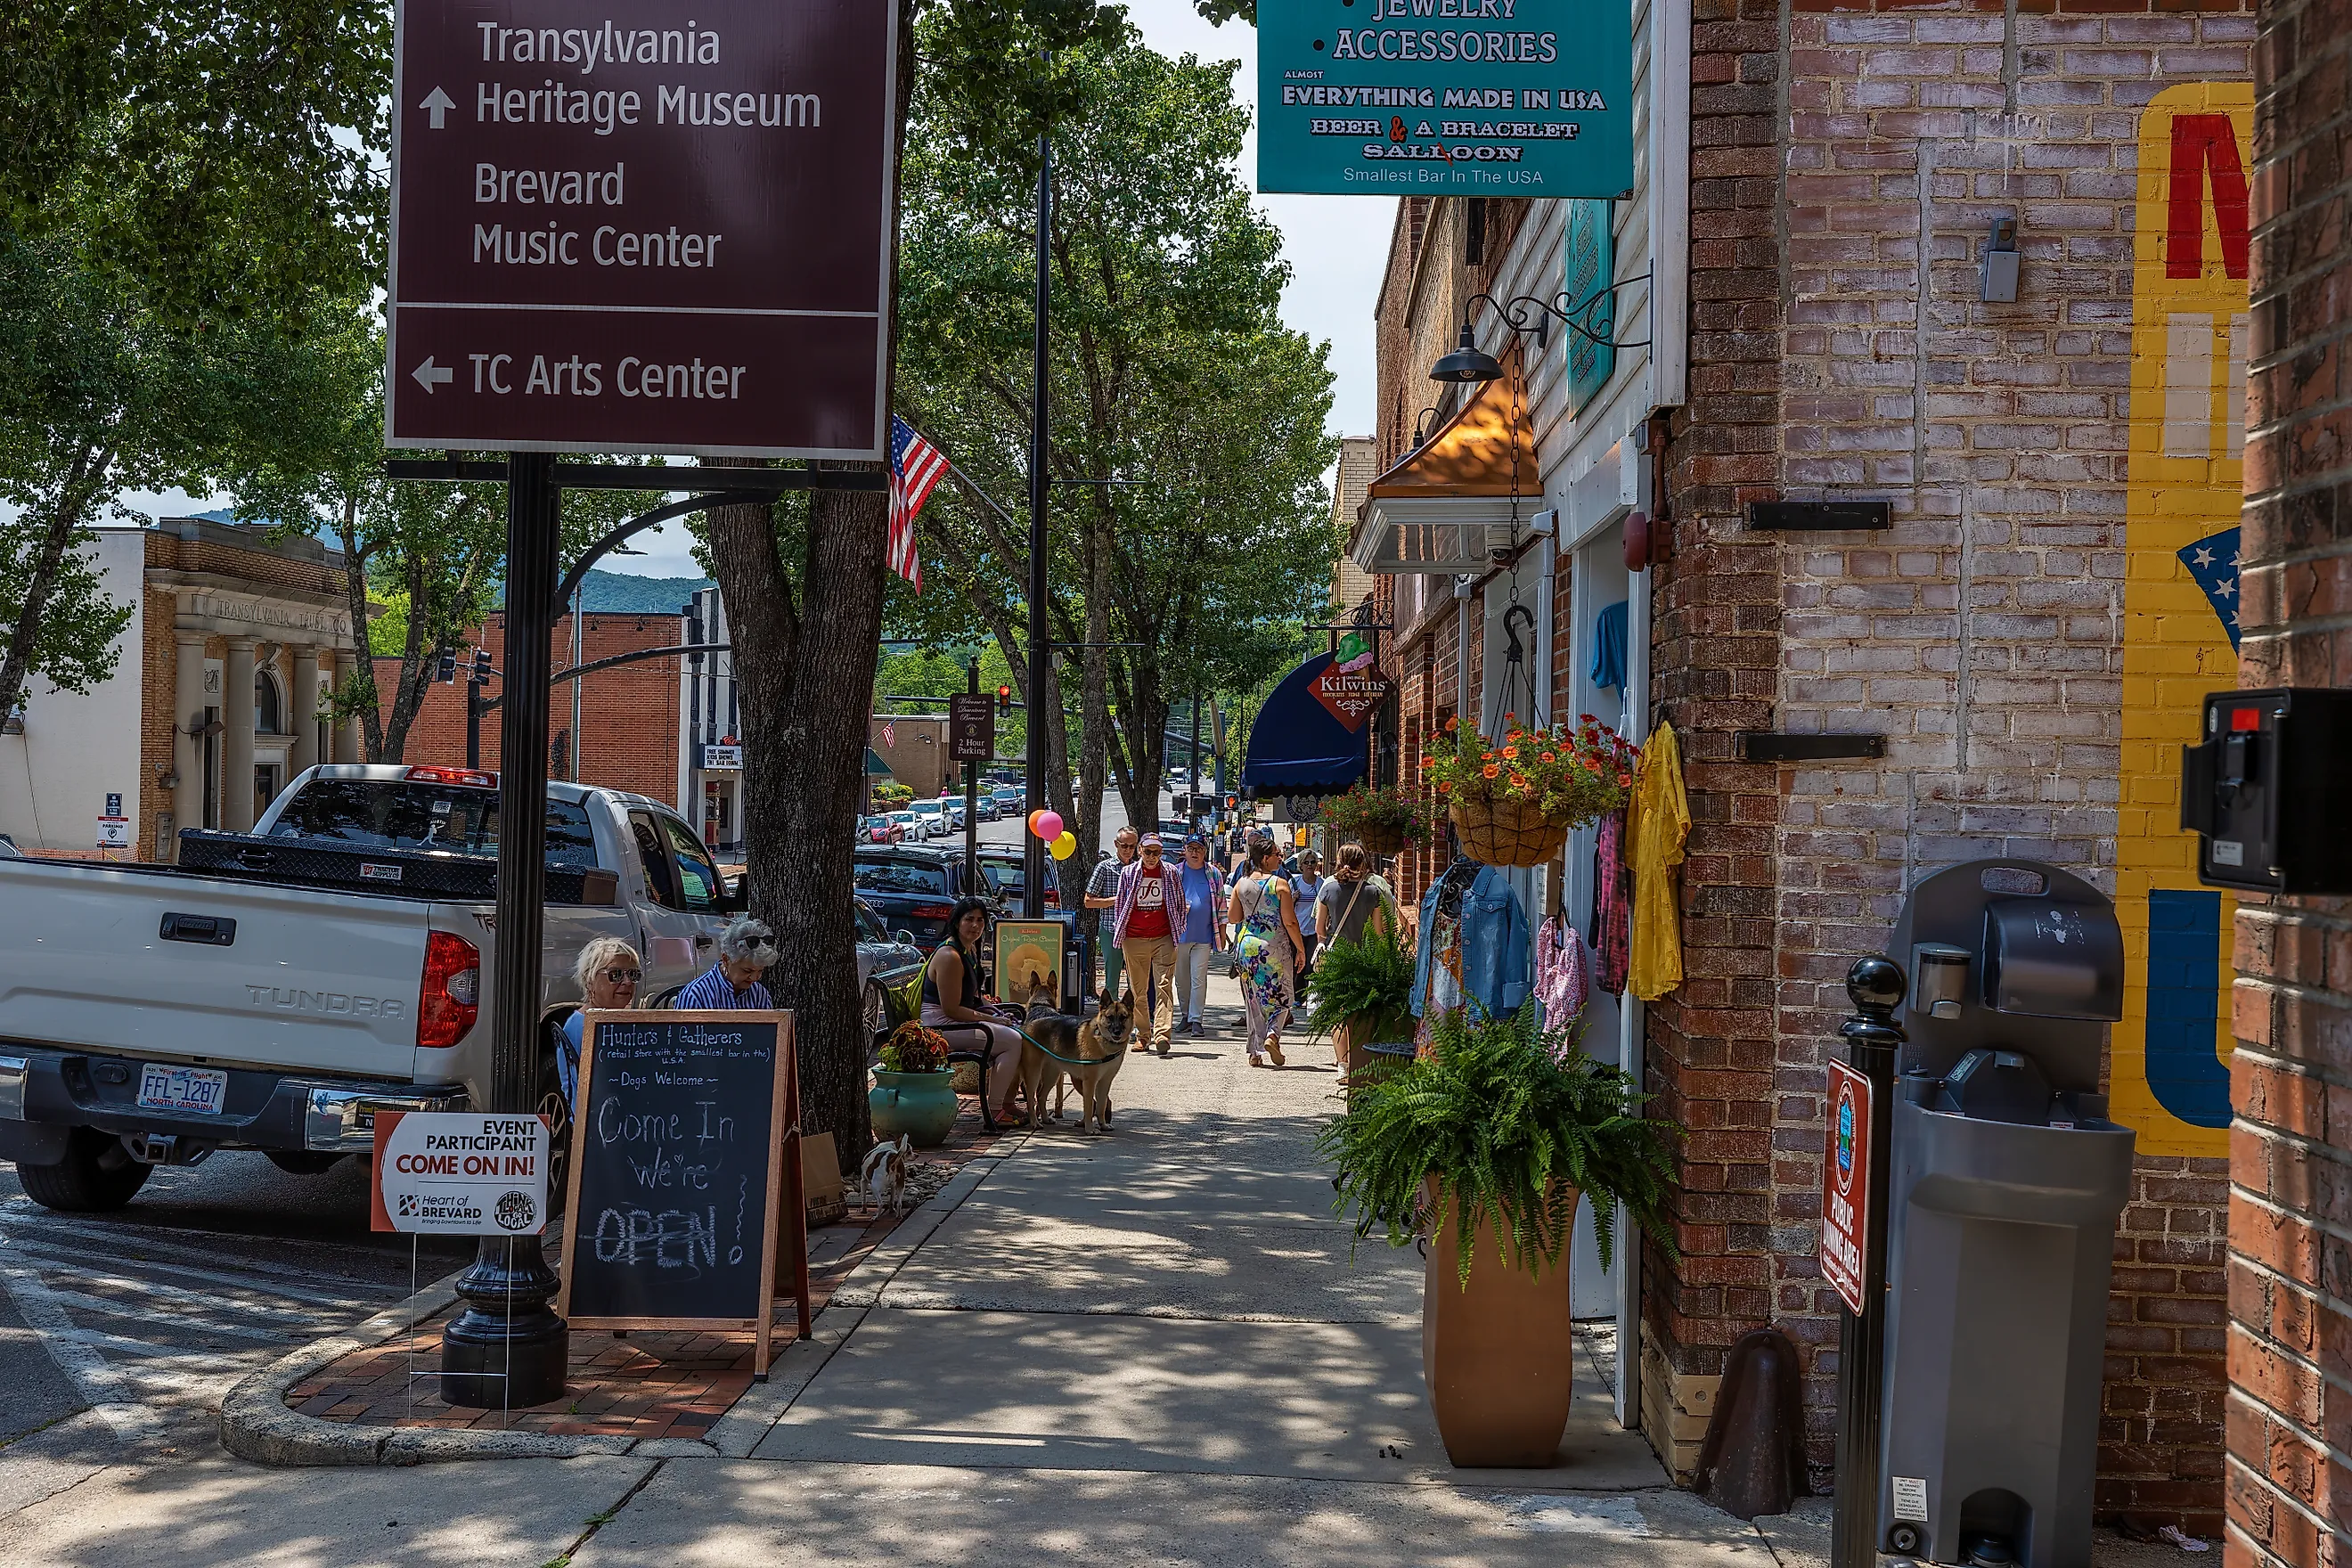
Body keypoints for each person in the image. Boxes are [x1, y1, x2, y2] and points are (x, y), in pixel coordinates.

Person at [920, 895, 1027, 1122]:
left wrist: (995, 1011)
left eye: (980, 920)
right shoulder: (950, 956)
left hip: (960, 1021)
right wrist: (995, 1021)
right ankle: (996, 1109)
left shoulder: (970, 949)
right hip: (940, 1026)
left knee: (1021, 1033)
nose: (976, 925)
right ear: (957, 922)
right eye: (969, 919)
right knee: (1012, 1041)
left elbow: (975, 998)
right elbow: (952, 1010)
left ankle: (1008, 1103)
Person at [1228, 838, 1304, 1068]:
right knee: (1283, 995)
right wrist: (1300, 948)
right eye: (1276, 854)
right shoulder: (1280, 885)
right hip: (1275, 948)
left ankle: (1255, 1052)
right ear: (1264, 858)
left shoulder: (1241, 884)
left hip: (1248, 948)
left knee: (1253, 1000)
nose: (1280, 857)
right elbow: (1290, 922)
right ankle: (1272, 1036)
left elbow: (1233, 918)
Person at [1113, 832, 1188, 1055]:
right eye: (1147, 851)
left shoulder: (1171, 872)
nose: (1152, 856)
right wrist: (1121, 932)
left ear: (1161, 853)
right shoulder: (1128, 873)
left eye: (1156, 852)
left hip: (1164, 937)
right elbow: (1120, 903)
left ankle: (1163, 1034)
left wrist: (1178, 928)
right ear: (1140, 851)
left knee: (1164, 986)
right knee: (1138, 990)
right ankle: (1143, 1034)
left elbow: (1181, 902)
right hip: (1134, 938)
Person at [559, 935, 641, 1115]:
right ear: (590, 980)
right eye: (616, 975)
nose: (627, 982)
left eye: (633, 974)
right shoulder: (582, 1025)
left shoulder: (618, 1020)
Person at [1171, 833, 1228, 1036]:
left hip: (1204, 936)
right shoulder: (1175, 873)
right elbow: (1167, 902)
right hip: (1179, 936)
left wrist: (1221, 934)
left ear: (1205, 852)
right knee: (1181, 980)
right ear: (1184, 850)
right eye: (1191, 848)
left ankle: (1196, 1019)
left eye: (1199, 849)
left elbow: (1221, 904)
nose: (1195, 853)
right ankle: (1185, 1016)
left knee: (1199, 979)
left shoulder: (1213, 874)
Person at [675, 917, 777, 1009]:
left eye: (760, 971)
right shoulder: (695, 996)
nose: (755, 978)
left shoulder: (759, 994)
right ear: (726, 959)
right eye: (747, 971)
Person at [1084, 828, 1139, 998]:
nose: (1128, 850)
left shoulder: (1139, 868)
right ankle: (1111, 1019)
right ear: (1116, 844)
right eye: (1124, 845)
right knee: (1112, 979)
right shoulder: (1104, 868)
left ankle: (1136, 1018)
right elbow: (1088, 901)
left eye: (1132, 846)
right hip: (1111, 930)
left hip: (1136, 931)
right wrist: (1118, 900)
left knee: (1137, 979)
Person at [1313, 842, 1398, 949]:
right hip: (1365, 954)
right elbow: (1377, 932)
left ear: (1339, 862)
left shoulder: (1328, 889)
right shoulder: (1373, 892)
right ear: (1362, 863)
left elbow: (1319, 929)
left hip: (1336, 953)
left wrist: (1328, 938)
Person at [1291, 849, 1327, 977]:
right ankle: (1297, 996)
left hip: (1314, 931)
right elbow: (1285, 908)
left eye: (1312, 862)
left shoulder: (1321, 884)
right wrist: (1293, 899)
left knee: (1311, 966)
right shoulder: (1294, 883)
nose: (1309, 865)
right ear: (1301, 865)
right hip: (1297, 930)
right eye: (1306, 862)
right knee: (1296, 965)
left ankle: (1309, 995)